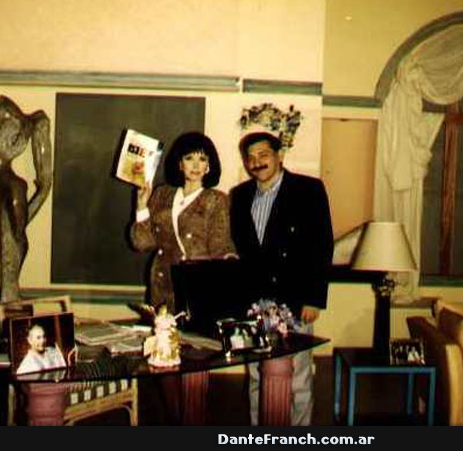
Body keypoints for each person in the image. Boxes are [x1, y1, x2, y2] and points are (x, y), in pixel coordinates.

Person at [229, 131, 334, 426]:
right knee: (256, 375)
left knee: (298, 376)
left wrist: (314, 298)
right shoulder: (240, 195)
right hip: (253, 302)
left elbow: (322, 245)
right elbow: (239, 251)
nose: (256, 162)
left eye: (263, 155)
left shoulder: (308, 189)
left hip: (296, 299)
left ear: (280, 156)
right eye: (250, 157)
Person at [130, 132, 237, 313]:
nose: (195, 165)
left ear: (208, 165)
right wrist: (141, 205)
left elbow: (220, 249)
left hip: (199, 289)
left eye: (202, 159)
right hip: (162, 286)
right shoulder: (162, 194)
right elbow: (143, 244)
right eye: (189, 158)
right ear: (179, 164)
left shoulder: (216, 200)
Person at [0, 96, 52, 303]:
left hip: (4, 169)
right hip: (5, 173)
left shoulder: (12, 183)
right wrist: (44, 190)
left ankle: (10, 293)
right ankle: (10, 292)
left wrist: (44, 188)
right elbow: (19, 229)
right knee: (19, 238)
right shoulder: (14, 186)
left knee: (18, 237)